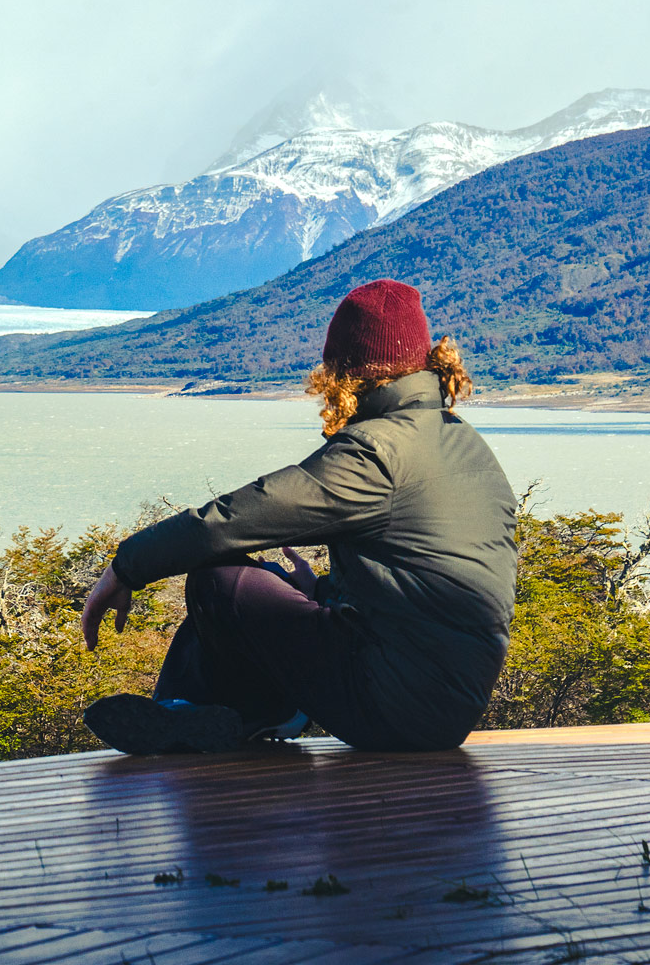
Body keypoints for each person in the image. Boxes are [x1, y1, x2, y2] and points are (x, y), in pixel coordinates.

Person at [79, 279, 517, 754]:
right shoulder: (463, 441)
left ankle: (202, 710)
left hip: (393, 707)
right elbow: (421, 586)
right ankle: (233, 715)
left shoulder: (376, 454)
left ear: (345, 372)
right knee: (274, 582)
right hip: (447, 705)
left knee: (220, 580)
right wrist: (323, 592)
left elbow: (229, 522)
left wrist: (126, 567)